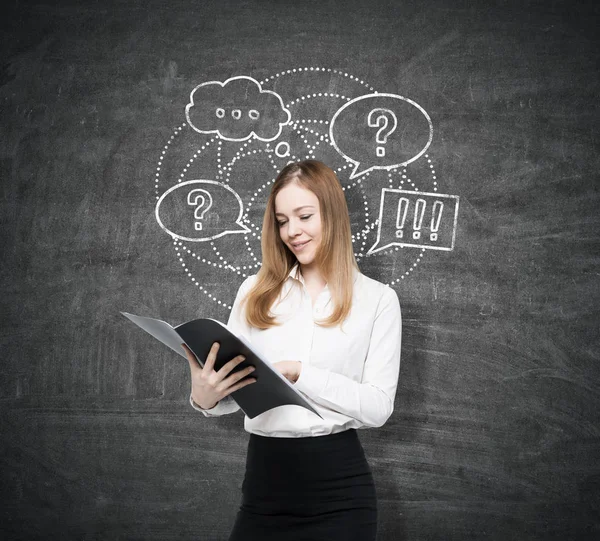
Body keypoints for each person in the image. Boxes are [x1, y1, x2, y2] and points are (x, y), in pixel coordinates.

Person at [182, 160, 401, 541]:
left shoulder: (378, 300)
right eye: (282, 221)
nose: (292, 232)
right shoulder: (255, 292)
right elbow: (234, 395)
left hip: (340, 490)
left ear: (331, 214)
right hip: (265, 485)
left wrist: (302, 373)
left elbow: (379, 408)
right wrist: (205, 398)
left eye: (304, 216)